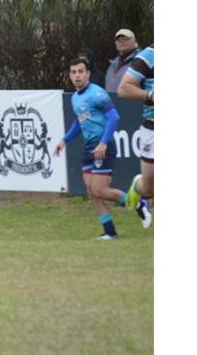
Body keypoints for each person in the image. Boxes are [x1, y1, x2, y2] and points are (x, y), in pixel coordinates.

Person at [53, 56, 142, 239]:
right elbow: (79, 122)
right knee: (92, 192)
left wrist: (103, 142)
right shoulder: (75, 98)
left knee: (100, 189)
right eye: (73, 72)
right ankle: (110, 232)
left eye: (81, 71)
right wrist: (64, 140)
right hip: (88, 148)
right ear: (69, 75)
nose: (77, 76)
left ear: (88, 74)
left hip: (103, 146)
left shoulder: (97, 93)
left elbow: (114, 118)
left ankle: (138, 202)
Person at [118, 45, 154, 229]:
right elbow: (123, 88)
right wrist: (150, 95)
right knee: (149, 187)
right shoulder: (149, 55)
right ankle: (138, 188)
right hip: (153, 128)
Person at [105, 29, 140, 93]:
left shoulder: (140, 61)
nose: (122, 42)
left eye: (125, 39)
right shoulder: (113, 64)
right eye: (119, 40)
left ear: (134, 41)